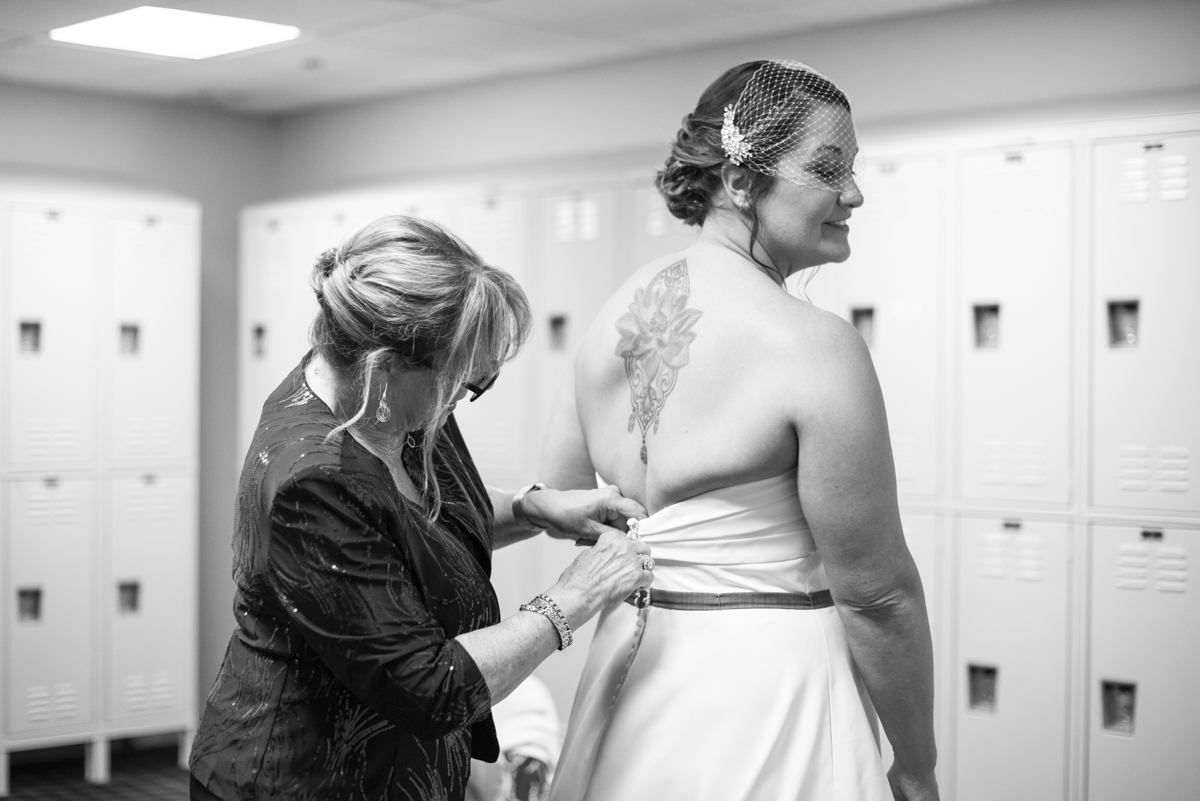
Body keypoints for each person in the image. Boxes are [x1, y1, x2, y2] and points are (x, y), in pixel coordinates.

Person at [542, 60, 939, 801]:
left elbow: (564, 503)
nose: (854, 192)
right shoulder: (813, 346)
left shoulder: (608, 320)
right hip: (768, 694)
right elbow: (879, 597)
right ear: (739, 181)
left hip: (630, 679)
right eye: (828, 168)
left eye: (852, 168)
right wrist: (916, 768)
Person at [188, 215, 654, 800]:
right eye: (462, 381)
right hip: (304, 778)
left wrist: (536, 509)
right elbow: (430, 686)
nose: (464, 396)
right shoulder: (313, 481)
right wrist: (575, 597)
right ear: (384, 367)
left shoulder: (387, 399)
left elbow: (421, 528)